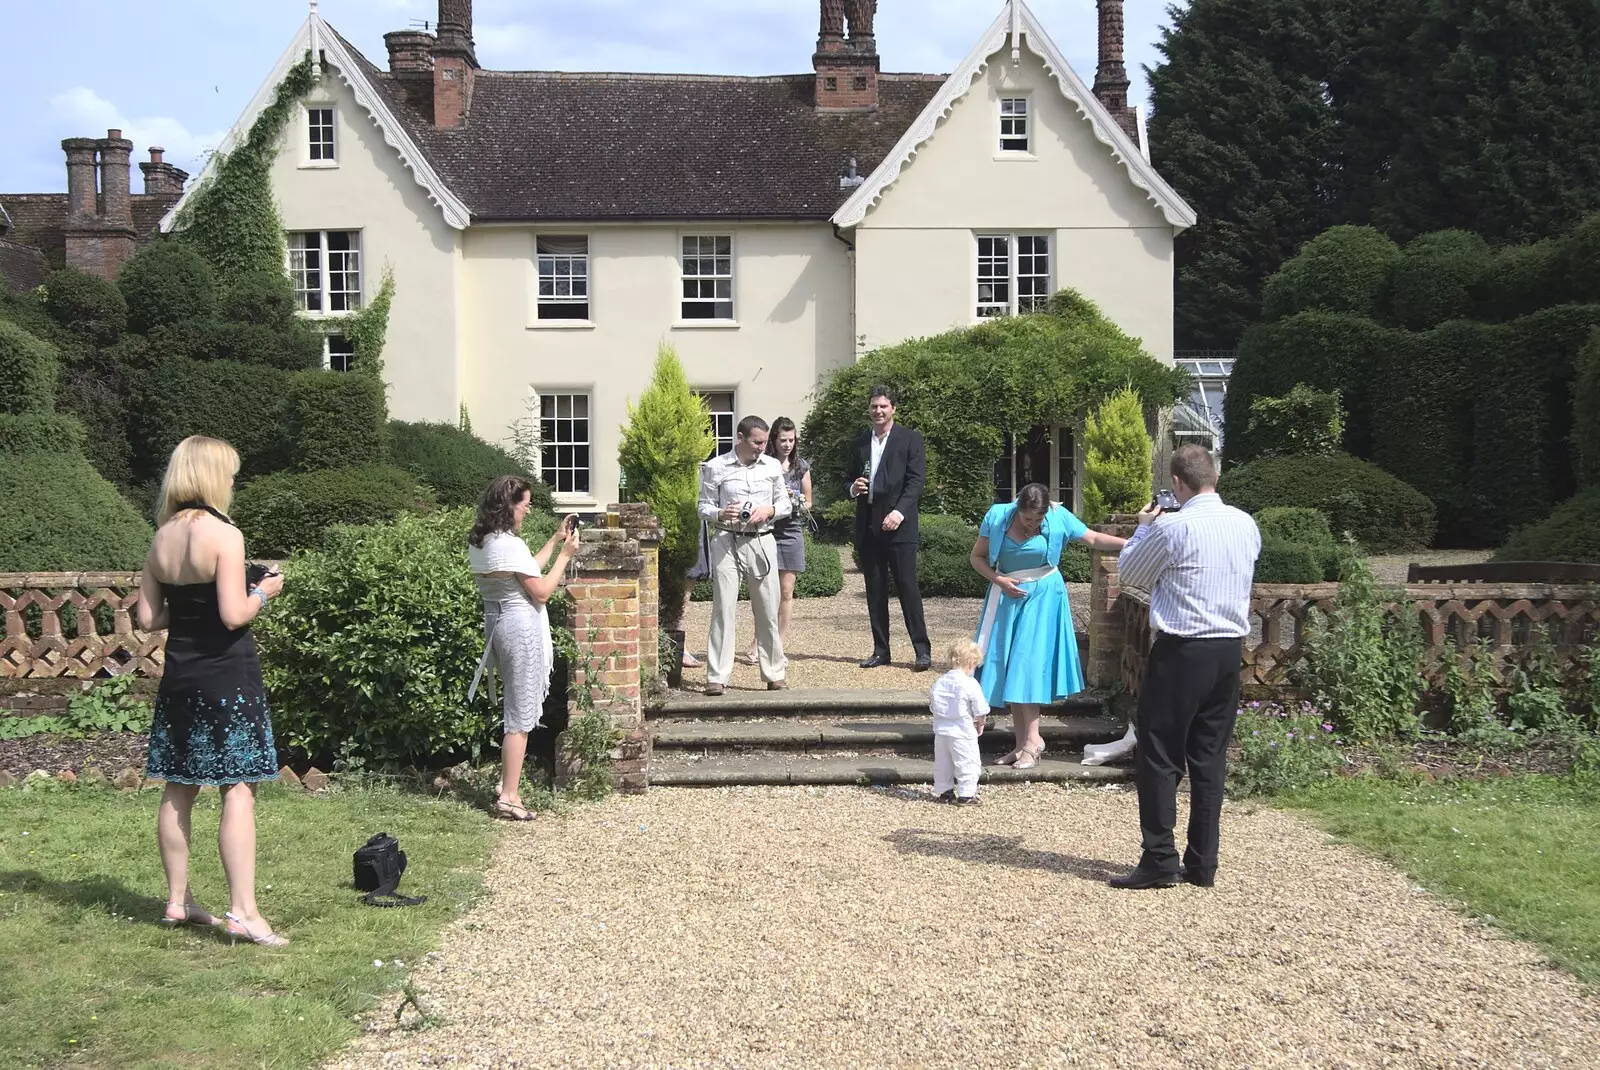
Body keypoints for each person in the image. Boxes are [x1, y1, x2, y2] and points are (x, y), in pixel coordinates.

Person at [136, 435, 287, 947]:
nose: (232, 483)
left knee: (178, 785)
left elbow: (149, 617)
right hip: (227, 675)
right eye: (230, 474)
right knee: (237, 787)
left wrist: (193, 602)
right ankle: (243, 910)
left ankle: (178, 900)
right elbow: (233, 615)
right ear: (212, 476)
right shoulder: (225, 533)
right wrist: (262, 592)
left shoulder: (161, 536)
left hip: (180, 674)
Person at [1108, 445, 1261, 890]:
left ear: (1176, 483)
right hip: (1229, 650)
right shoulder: (1245, 523)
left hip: (1183, 649)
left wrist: (1141, 529)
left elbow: (1132, 575)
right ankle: (1202, 863)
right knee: (1209, 758)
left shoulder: (1173, 526)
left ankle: (1159, 859)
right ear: (1214, 477)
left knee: (1159, 754)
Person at [968, 483, 1128, 769]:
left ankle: (1033, 741)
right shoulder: (997, 516)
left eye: (1037, 520)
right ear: (1018, 508)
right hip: (1007, 596)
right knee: (1009, 669)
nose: (1031, 524)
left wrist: (1129, 544)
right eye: (1027, 518)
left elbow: (1091, 538)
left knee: (1026, 667)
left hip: (1043, 598)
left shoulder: (1058, 516)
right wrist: (999, 580)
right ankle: (1021, 744)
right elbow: (976, 557)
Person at [467, 476, 579, 821]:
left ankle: (507, 787)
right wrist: (565, 554)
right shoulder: (507, 545)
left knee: (518, 709)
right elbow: (542, 590)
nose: (528, 510)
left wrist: (554, 539)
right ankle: (509, 796)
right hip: (519, 630)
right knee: (519, 716)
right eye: (525, 504)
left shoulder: (484, 541)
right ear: (508, 505)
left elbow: (524, 569)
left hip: (499, 625)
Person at [698, 415, 791, 695]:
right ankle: (717, 676)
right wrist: (719, 512)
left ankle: (775, 673)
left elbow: (784, 502)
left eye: (764, 442)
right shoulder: (715, 467)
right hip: (726, 539)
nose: (762, 447)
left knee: (766, 607)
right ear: (740, 438)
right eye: (757, 442)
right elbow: (703, 506)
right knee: (723, 608)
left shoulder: (773, 466)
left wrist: (770, 511)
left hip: (762, 540)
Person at [847, 384, 932, 671]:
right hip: (868, 526)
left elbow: (916, 482)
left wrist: (899, 512)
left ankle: (922, 650)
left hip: (899, 527)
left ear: (893, 408)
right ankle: (881, 650)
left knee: (908, 587)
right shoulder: (859, 443)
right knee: (875, 590)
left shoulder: (910, 440)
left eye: (883, 406)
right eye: (874, 406)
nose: (878, 411)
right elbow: (846, 479)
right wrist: (852, 488)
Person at [742, 416, 812, 665]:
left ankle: (778, 646)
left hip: (792, 532)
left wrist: (798, 502)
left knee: (785, 592)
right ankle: (758, 641)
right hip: (767, 530)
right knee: (765, 593)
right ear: (774, 440)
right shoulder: (764, 464)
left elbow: (809, 501)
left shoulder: (801, 467)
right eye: (783, 440)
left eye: (791, 440)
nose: (787, 444)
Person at [929, 638, 990, 804]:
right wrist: (980, 722)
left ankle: (944, 792)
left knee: (943, 764)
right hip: (963, 730)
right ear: (971, 663)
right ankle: (966, 793)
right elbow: (980, 708)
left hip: (941, 731)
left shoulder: (940, 681)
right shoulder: (970, 683)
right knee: (967, 762)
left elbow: (933, 705)